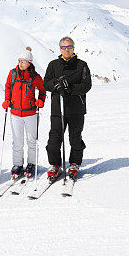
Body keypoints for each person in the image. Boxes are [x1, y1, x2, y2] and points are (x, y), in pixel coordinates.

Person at [43, 36, 92, 181]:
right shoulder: (53, 65)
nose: (67, 49)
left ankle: (74, 163)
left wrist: (70, 88)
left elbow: (86, 85)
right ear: (60, 49)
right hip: (58, 109)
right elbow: (46, 83)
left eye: (69, 47)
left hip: (76, 109)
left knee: (75, 138)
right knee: (54, 139)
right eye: (64, 47)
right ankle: (55, 164)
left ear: (73, 48)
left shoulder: (82, 65)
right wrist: (55, 85)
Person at [1, 46, 46, 180]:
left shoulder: (35, 77)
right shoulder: (13, 73)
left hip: (31, 113)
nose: (21, 63)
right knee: (17, 141)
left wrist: (40, 101)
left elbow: (42, 90)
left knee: (32, 140)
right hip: (15, 113)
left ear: (29, 62)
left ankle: (31, 164)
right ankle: (17, 165)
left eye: (24, 61)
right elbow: (8, 86)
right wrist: (7, 100)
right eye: (19, 61)